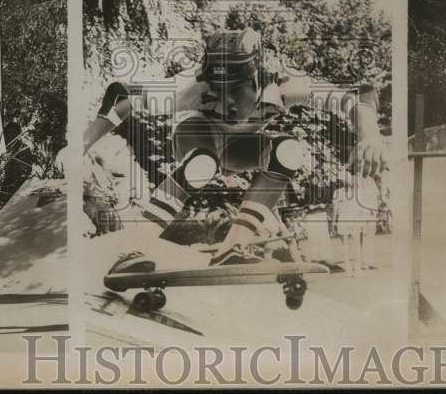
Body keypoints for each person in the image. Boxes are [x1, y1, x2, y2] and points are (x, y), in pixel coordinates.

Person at [83, 28, 387, 270]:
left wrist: (370, 135)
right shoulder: (192, 90)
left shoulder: (283, 87)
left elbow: (357, 96)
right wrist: (81, 145)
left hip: (238, 149)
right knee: (203, 162)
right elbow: (119, 95)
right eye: (217, 92)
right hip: (196, 140)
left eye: (236, 91)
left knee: (289, 151)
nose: (225, 103)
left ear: (256, 80)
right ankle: (133, 247)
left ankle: (233, 246)